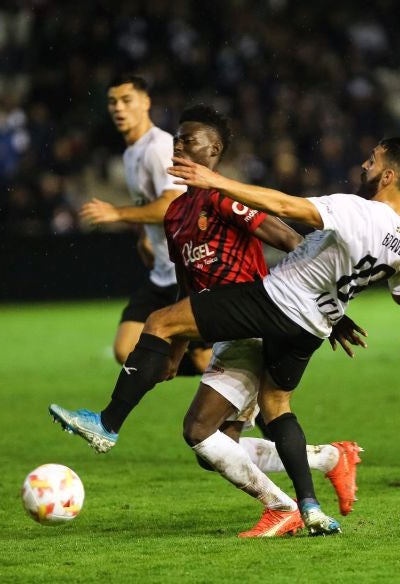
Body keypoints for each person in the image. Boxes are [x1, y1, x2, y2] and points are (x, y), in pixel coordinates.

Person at [51, 105, 363, 537]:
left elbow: (290, 238)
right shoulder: (177, 212)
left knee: (194, 415)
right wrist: (176, 349)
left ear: (214, 150)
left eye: (189, 140)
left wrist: (331, 304)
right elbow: (187, 286)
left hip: (256, 320)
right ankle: (331, 459)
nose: (178, 145)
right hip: (220, 327)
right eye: (176, 140)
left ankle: (108, 424)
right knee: (213, 443)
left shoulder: (224, 195)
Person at [98, 136, 400, 534]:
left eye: (372, 161)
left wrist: (215, 181)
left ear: (389, 175)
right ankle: (309, 505)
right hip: (313, 327)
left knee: (163, 322)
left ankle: (107, 423)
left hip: (274, 303)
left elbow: (284, 206)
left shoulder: (355, 210)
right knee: (277, 405)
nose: (364, 165)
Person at [78, 74, 210, 373]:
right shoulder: (130, 153)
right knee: (126, 350)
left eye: (127, 100)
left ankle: (243, 393)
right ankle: (220, 377)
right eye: (113, 102)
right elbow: (147, 204)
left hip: (186, 270)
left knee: (202, 360)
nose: (118, 108)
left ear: (145, 102)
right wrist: (142, 236)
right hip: (162, 272)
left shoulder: (159, 147)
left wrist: (116, 214)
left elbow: (170, 205)